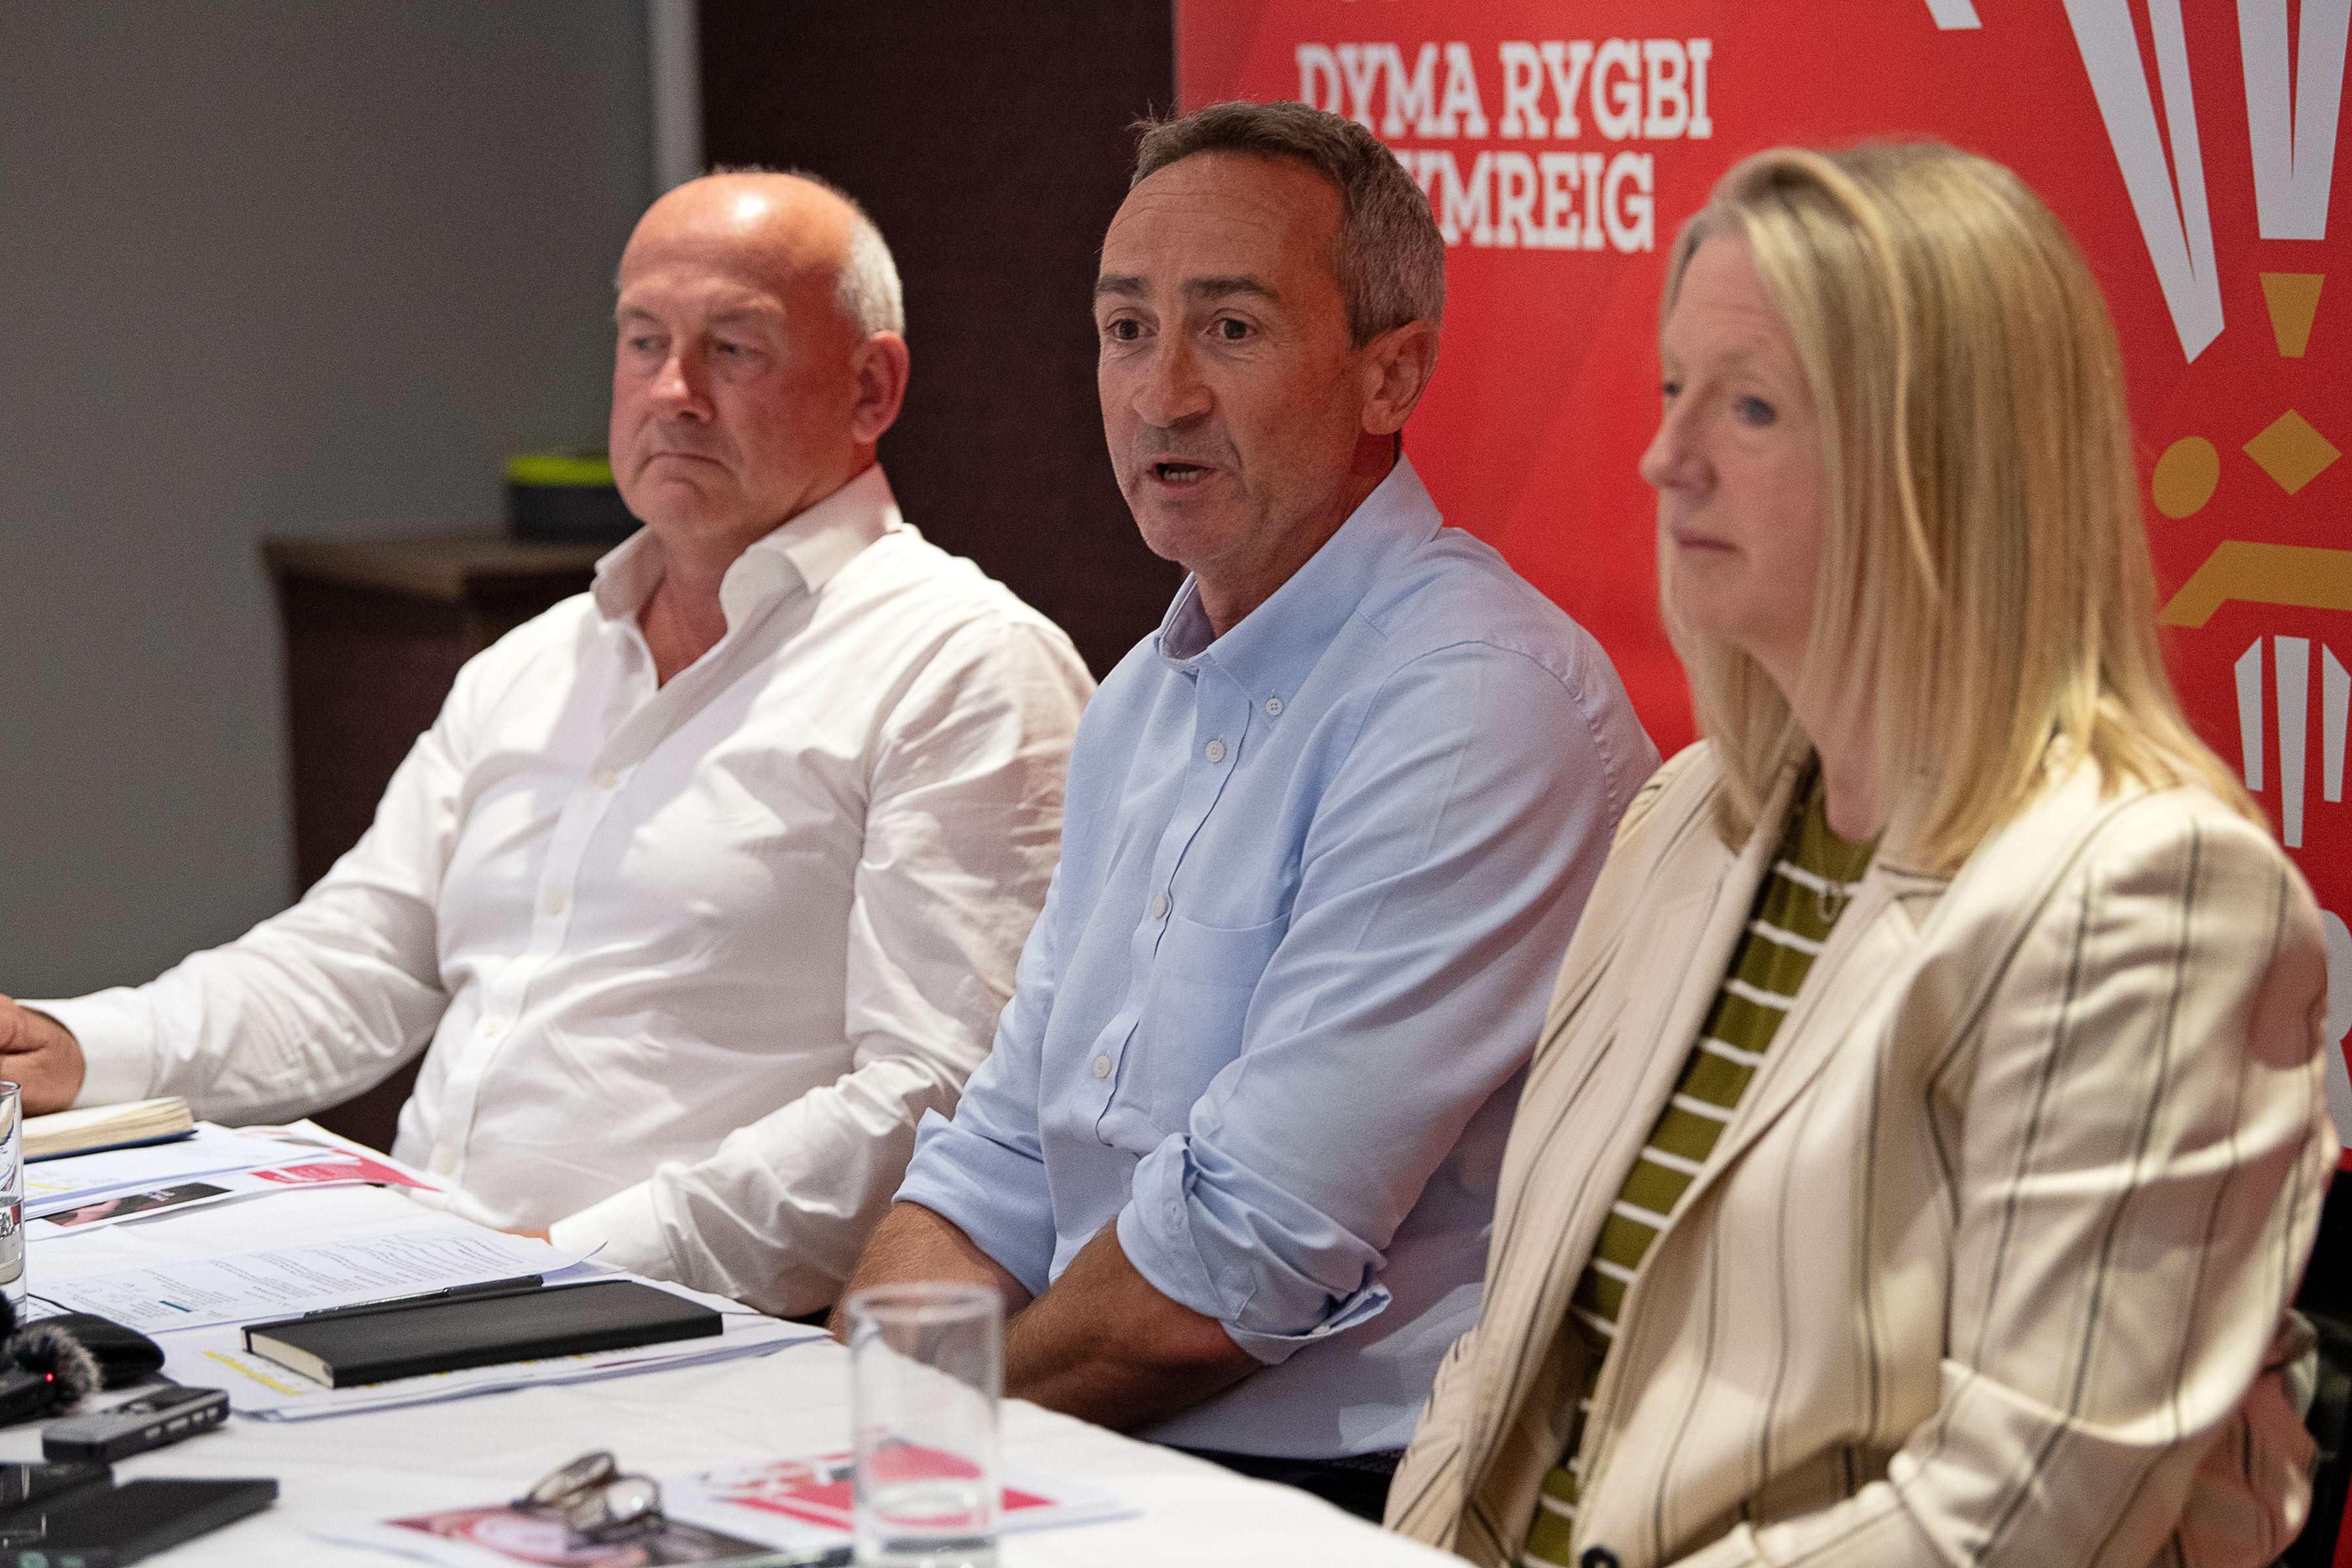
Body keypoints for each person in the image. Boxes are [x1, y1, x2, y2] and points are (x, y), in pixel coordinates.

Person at [1386, 142, 2338, 1568]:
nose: (1666, 454)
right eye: (1671, 389)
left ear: (1946, 465)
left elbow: (2012, 1521)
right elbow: (1513, 1351)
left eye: (1752, 406)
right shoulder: (1686, 822)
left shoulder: (2150, 894)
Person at [0, 172, 1093, 1317]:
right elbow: (359, 959)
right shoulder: (537, 662)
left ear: (872, 386)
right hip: (421, 1282)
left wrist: (571, 1264)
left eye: (733, 348)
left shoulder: (965, 667)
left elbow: (940, 1098)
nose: (673, 391)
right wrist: (80, 1047)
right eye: (642, 341)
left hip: (681, 1331)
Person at [836, 100, 1656, 1521]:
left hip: (1349, 1487)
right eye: (1125, 330)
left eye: (1230, 330)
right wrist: (874, 1410)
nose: (1160, 396)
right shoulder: (1141, 699)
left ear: (1391, 376)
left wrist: (920, 1439)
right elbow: (1002, 1156)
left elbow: (1230, 1273)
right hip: (1088, 1439)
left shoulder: (1471, 705)